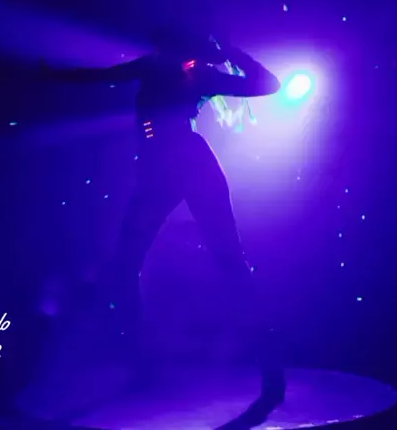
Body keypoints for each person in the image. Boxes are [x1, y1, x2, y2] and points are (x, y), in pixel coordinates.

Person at [41, 29, 285, 402]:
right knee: (168, 262)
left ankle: (150, 364)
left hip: (173, 167)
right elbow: (101, 76)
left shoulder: (186, 71)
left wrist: (232, 51)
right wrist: (231, 52)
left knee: (201, 260)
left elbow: (269, 85)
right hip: (171, 167)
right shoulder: (177, 70)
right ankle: (146, 363)